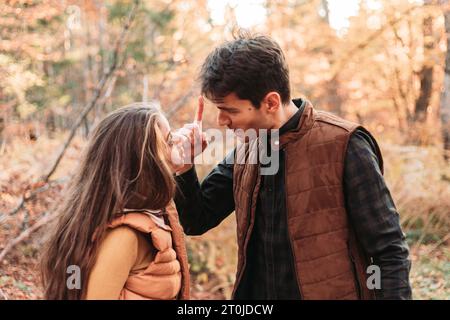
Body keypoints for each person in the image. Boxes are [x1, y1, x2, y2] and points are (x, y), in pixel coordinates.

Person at [173, 33, 412, 300]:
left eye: (230, 110)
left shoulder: (345, 144)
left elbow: (388, 251)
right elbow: (197, 220)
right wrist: (184, 167)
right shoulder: (247, 150)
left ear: (271, 102)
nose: (221, 121)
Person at [41, 103, 190, 300]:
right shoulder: (124, 236)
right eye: (169, 141)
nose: (177, 145)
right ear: (146, 162)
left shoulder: (146, 213)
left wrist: (183, 166)